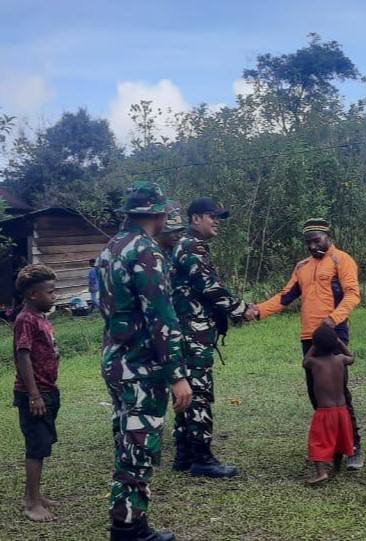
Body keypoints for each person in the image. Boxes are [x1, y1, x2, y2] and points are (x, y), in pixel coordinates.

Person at [97, 181, 192, 541]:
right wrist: (177, 374)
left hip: (115, 360)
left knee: (127, 443)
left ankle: (128, 523)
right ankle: (129, 529)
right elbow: (161, 316)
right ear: (159, 214)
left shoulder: (111, 248)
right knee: (140, 447)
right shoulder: (146, 251)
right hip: (141, 366)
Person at [256, 218, 363, 469]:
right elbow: (285, 297)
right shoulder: (302, 266)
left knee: (338, 393)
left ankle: (353, 447)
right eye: (308, 242)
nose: (313, 246)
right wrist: (257, 311)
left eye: (317, 240)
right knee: (317, 394)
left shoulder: (342, 260)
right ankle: (330, 447)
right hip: (309, 338)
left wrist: (332, 319)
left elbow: (352, 294)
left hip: (333, 335)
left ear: (328, 237)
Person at [171, 196, 257, 478]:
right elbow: (210, 288)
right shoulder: (191, 247)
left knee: (187, 391)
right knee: (198, 393)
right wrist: (242, 309)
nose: (217, 222)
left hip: (188, 331)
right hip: (192, 333)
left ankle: (184, 454)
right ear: (196, 218)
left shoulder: (187, 245)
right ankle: (202, 459)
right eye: (212, 216)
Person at [13, 265, 59, 522]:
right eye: (50, 292)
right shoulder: (26, 319)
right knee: (36, 447)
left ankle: (34, 495)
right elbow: (23, 356)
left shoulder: (40, 316)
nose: (54, 296)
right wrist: (34, 395)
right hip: (35, 394)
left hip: (47, 390)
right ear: (33, 294)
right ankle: (31, 503)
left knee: (42, 445)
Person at [303, 325, 356, 484]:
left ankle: (321, 473)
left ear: (316, 346)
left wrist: (313, 345)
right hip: (342, 410)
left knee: (318, 441)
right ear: (335, 343)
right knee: (339, 440)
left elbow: (305, 361)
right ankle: (336, 468)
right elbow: (352, 357)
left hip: (325, 412)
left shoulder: (315, 363)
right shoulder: (340, 360)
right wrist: (339, 342)